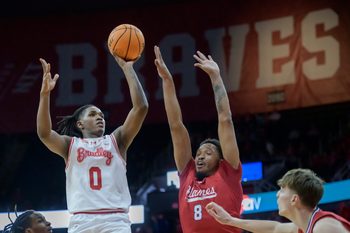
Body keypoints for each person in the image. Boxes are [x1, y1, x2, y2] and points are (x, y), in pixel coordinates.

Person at [36, 55, 148, 233]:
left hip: (115, 220)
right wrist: (44, 95)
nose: (99, 117)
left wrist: (128, 69)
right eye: (93, 114)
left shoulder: (117, 140)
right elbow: (44, 133)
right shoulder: (69, 145)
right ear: (80, 124)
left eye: (102, 115)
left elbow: (141, 107)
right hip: (81, 221)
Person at [154, 45, 243, 233]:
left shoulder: (228, 173)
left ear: (221, 161)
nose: (200, 157)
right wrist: (167, 81)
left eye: (208, 153)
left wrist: (216, 77)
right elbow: (175, 126)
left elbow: (225, 119)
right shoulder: (188, 174)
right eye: (199, 153)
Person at [206, 168, 350, 233]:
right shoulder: (304, 226)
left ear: (294, 199)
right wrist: (230, 220)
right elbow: (273, 228)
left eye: (282, 189)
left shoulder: (324, 228)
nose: (277, 195)